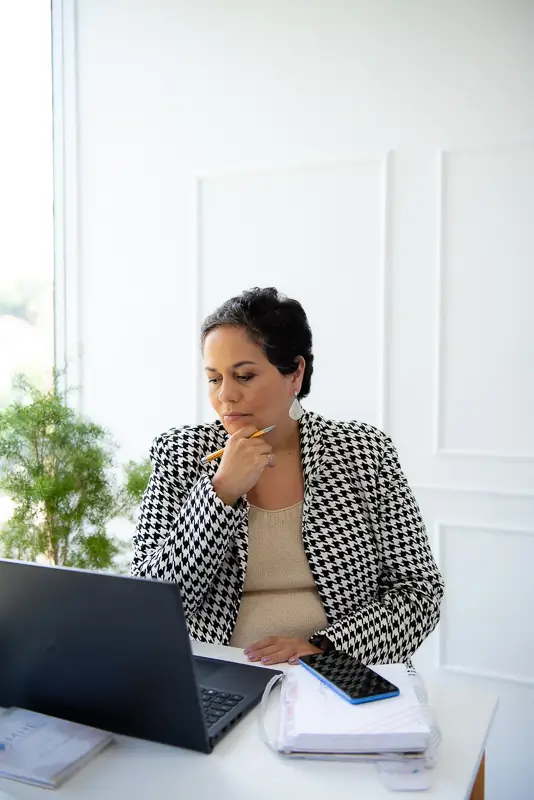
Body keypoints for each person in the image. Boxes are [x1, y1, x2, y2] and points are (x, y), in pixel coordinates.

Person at [132, 287, 444, 666]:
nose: (225, 397)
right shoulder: (182, 453)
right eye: (214, 379)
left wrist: (325, 650)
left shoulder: (364, 452)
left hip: (339, 670)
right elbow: (149, 604)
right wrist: (221, 492)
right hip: (218, 672)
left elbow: (419, 594)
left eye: (244, 376)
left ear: (295, 372)